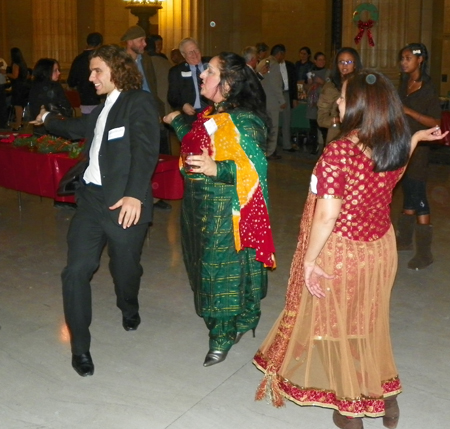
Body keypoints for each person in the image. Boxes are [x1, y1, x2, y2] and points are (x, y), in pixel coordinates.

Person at [253, 69, 446, 429]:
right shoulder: (391, 142)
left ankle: (349, 411)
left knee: (339, 326)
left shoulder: (338, 153)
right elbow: (401, 159)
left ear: (358, 105)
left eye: (342, 97)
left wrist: (309, 262)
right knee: (370, 322)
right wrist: (419, 135)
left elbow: (326, 215)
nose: (338, 102)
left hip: (343, 251)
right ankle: (387, 403)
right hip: (379, 249)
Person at [31, 44, 160, 377]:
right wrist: (47, 118)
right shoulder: (103, 108)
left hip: (123, 204)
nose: (90, 77)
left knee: (126, 270)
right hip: (91, 200)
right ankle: (80, 349)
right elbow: (78, 130)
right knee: (76, 270)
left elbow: (147, 150)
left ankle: (128, 306)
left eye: (97, 70)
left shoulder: (138, 102)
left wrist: (135, 195)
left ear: (116, 70)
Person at [163, 52, 276, 367]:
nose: (202, 76)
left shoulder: (245, 121)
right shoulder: (213, 113)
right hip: (197, 207)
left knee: (220, 273)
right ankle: (233, 323)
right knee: (200, 265)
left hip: (226, 212)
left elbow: (255, 170)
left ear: (228, 83)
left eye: (209, 71)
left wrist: (219, 169)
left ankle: (222, 335)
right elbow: (198, 143)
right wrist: (178, 121)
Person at [396, 43, 441, 270]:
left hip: (420, 148)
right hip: (404, 144)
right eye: (401, 58)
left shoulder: (428, 88)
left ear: (420, 59)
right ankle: (404, 240)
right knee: (408, 190)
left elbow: (435, 123)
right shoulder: (404, 83)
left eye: (407, 58)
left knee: (419, 194)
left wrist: (409, 111)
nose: (403, 62)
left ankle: (425, 253)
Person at [122, 25, 171, 210]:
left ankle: (153, 194)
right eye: (140, 40)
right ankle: (135, 193)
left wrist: (157, 111)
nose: (144, 44)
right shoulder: (120, 61)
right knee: (132, 154)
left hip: (149, 110)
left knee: (151, 154)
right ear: (130, 42)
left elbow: (152, 86)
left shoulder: (146, 60)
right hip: (130, 113)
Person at [317, 47, 363, 144]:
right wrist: (339, 119)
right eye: (341, 62)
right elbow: (321, 119)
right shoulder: (331, 87)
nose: (344, 66)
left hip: (360, 134)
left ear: (355, 64)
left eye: (349, 62)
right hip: (337, 134)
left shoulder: (361, 85)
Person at [167, 38, 211, 122]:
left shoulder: (211, 63)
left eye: (196, 50)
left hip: (213, 113)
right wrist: (183, 105)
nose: (194, 54)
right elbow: (172, 96)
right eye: (190, 52)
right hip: (191, 116)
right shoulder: (176, 71)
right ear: (183, 55)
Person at [256, 42, 285, 160]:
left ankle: (264, 150)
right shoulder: (274, 64)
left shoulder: (263, 62)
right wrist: (282, 100)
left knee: (265, 127)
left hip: (263, 100)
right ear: (280, 54)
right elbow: (276, 84)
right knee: (273, 127)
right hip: (272, 100)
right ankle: (270, 152)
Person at [67, 32, 103, 115]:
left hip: (84, 101)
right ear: (99, 45)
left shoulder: (78, 59)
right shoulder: (101, 58)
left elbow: (71, 82)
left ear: (87, 43)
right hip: (100, 100)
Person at [271, 44, 298, 153]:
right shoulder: (271, 65)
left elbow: (293, 83)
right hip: (274, 95)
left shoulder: (290, 65)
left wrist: (294, 98)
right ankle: (274, 146)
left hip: (286, 93)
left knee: (287, 120)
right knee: (274, 121)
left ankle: (287, 144)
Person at [29, 58, 73, 126]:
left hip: (41, 126)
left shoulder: (34, 86)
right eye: (55, 70)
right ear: (46, 72)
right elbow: (65, 108)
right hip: (55, 126)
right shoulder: (53, 87)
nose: (59, 73)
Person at [306, 52, 331, 154]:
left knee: (323, 127)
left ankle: (326, 148)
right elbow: (306, 89)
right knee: (313, 127)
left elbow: (331, 88)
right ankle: (313, 147)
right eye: (319, 59)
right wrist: (309, 84)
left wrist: (323, 82)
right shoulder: (310, 72)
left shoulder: (328, 72)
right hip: (312, 104)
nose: (322, 62)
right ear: (315, 61)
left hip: (323, 104)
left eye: (323, 59)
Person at [6, 47, 29, 130]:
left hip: (18, 87)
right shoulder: (23, 63)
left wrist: (7, 74)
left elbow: (15, 76)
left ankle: (17, 124)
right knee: (21, 105)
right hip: (24, 86)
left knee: (17, 106)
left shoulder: (15, 64)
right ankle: (20, 122)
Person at [0, 55, 7, 128]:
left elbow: (5, 71)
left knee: (2, 105)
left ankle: (3, 123)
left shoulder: (2, 60)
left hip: (1, 85)